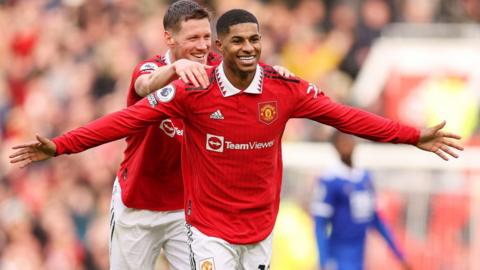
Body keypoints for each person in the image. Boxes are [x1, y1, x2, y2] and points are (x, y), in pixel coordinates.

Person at [10, 9, 463, 270]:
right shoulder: (178, 83)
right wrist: (62, 144)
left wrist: (411, 136)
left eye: (252, 40)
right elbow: (128, 113)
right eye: (199, 39)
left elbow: (345, 117)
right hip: (154, 209)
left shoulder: (277, 88)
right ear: (173, 40)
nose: (242, 47)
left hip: (224, 221)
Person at [311, 131, 410, 270]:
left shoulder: (365, 178)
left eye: (348, 139)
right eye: (342, 141)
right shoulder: (330, 180)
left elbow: (376, 220)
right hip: (339, 256)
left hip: (360, 255)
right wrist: (323, 262)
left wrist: (399, 255)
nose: (347, 144)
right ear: (335, 147)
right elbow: (320, 225)